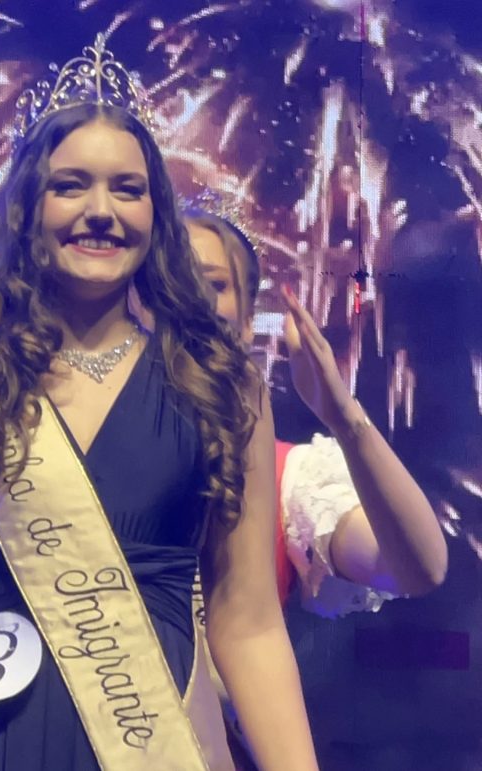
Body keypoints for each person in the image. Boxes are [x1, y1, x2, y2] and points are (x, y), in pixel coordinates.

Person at [0, 38, 318, 771]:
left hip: (153, 743)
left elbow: (249, 624)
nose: (100, 211)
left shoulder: (219, 387)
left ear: (156, 212)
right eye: (71, 186)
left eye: (127, 189)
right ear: (27, 207)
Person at [182, 202, 447, 616]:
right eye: (169, 283)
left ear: (249, 321)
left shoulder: (286, 479)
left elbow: (416, 569)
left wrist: (343, 416)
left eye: (213, 284)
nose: (189, 300)